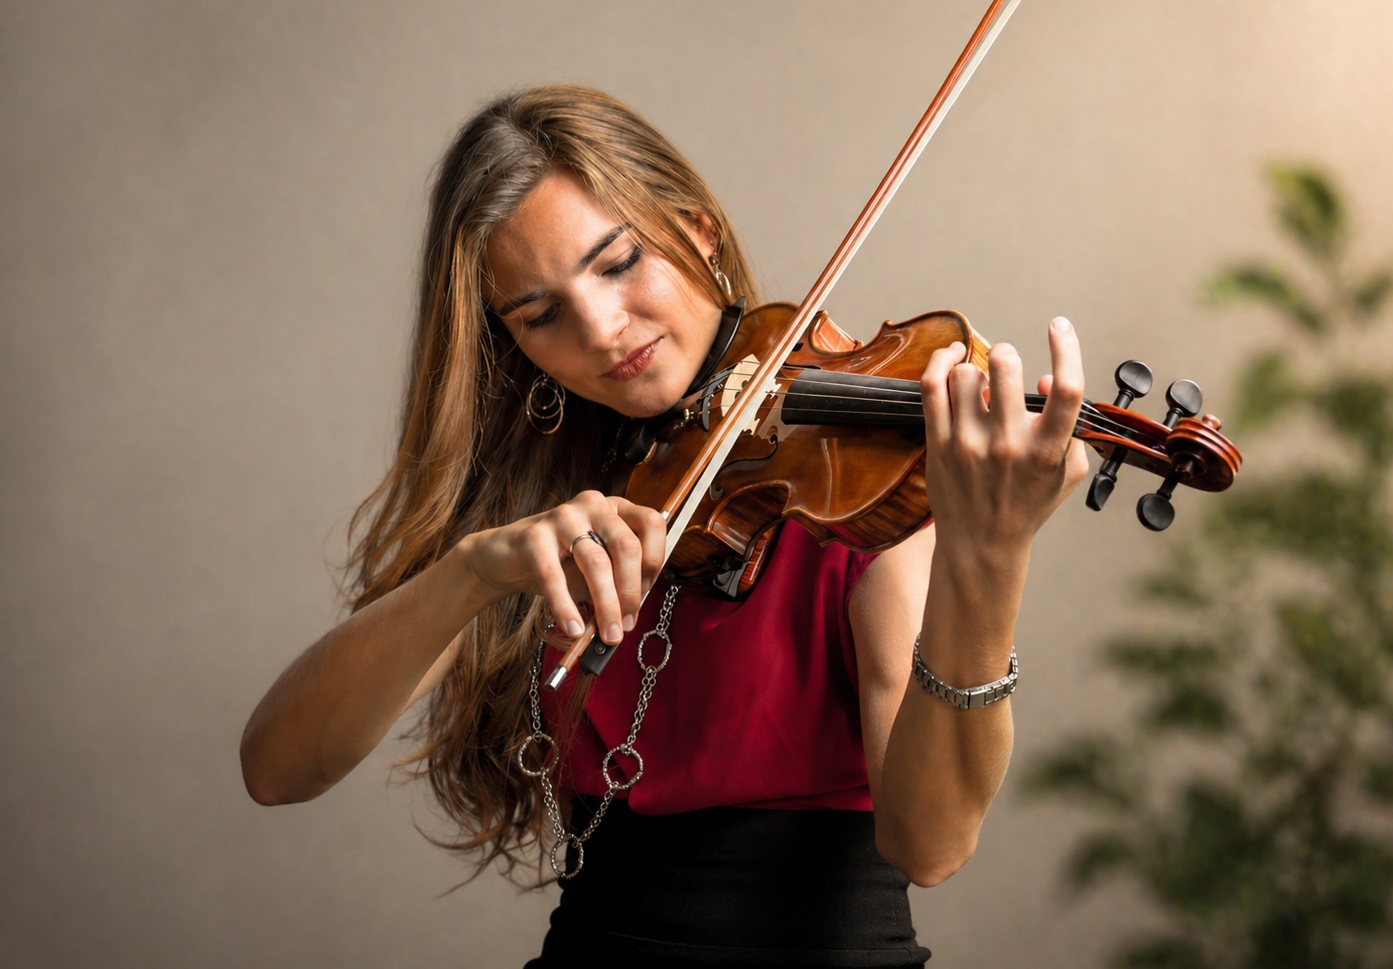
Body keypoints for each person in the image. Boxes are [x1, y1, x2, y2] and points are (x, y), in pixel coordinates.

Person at [240, 84, 1089, 966]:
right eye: (541, 315)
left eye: (617, 264)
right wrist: (472, 571)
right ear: (510, 343)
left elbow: (932, 845)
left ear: (697, 230)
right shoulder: (545, 508)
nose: (603, 330)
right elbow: (277, 768)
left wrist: (988, 559)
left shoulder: (851, 485)